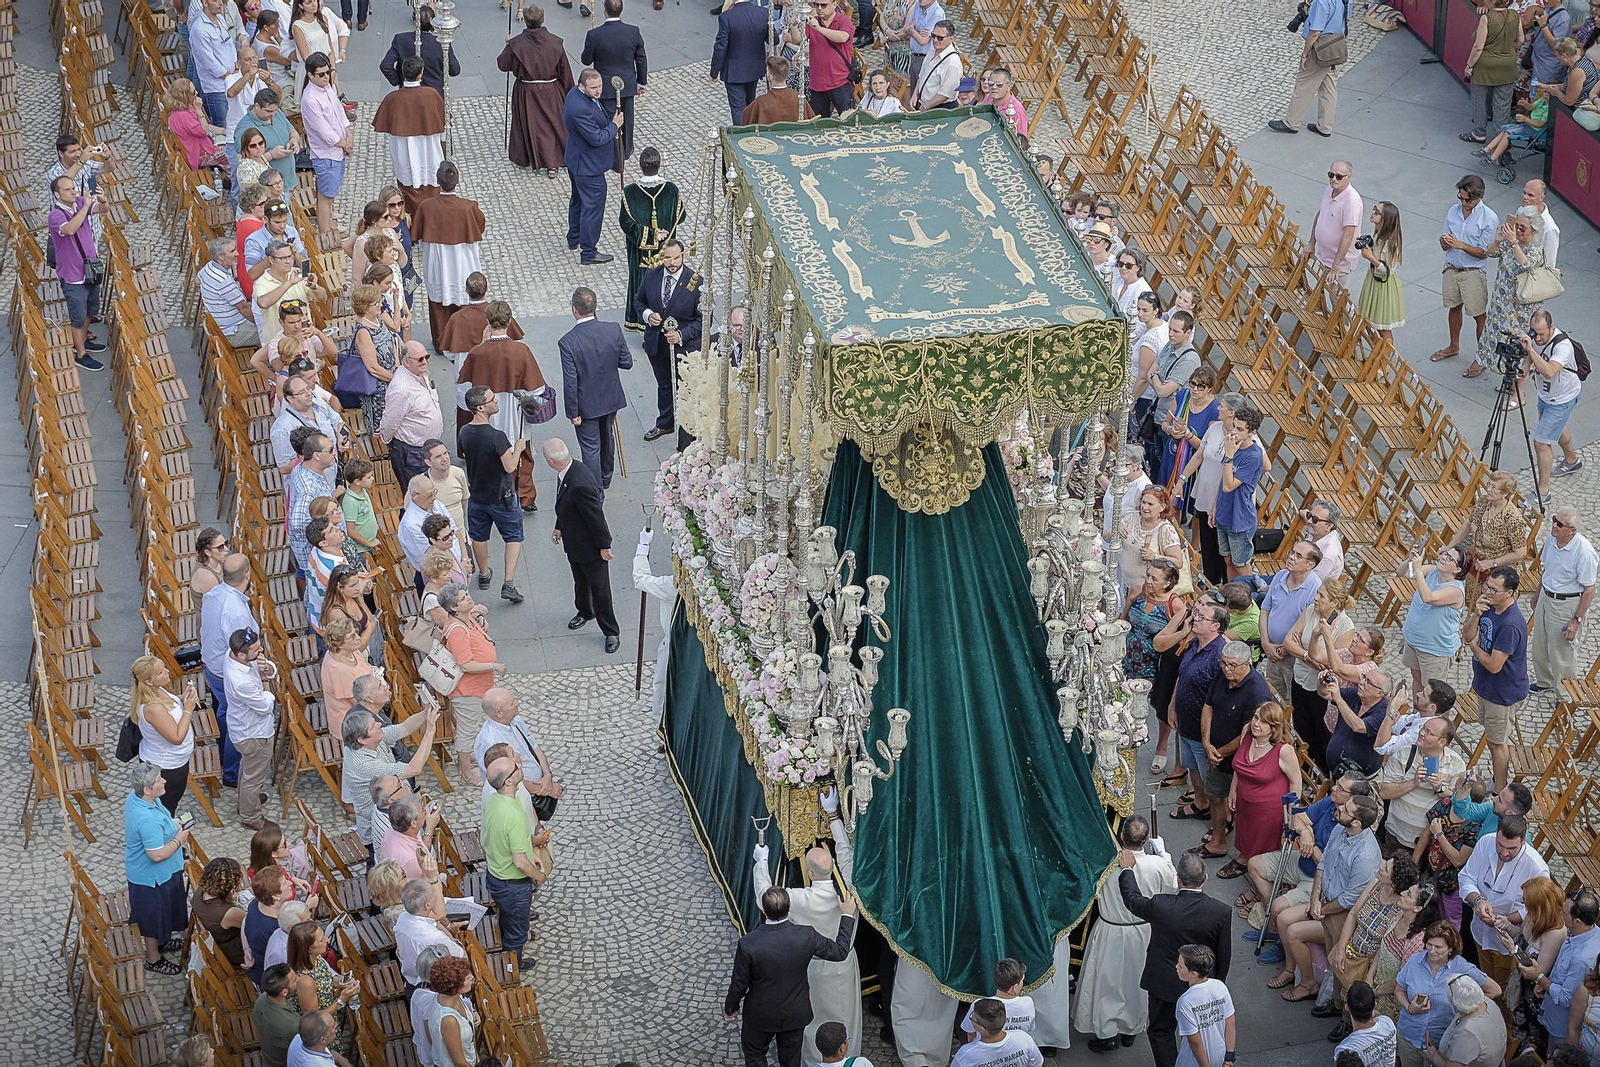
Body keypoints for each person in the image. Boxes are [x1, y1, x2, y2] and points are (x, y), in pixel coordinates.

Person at [751, 789, 859, 1063]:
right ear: (832, 864)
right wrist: (833, 815)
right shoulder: (850, 888)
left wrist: (761, 862)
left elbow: (765, 895)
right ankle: (848, 1057)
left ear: (809, 873)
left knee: (816, 1019)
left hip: (812, 967)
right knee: (846, 1013)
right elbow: (846, 853)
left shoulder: (799, 898)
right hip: (844, 965)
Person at [724, 884, 859, 1067]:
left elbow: (739, 982)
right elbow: (840, 952)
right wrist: (847, 916)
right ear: (789, 908)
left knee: (755, 1055)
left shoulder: (748, 944)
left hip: (760, 1014)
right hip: (795, 1013)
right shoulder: (806, 935)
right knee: (790, 1060)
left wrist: (731, 1006)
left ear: (763, 910)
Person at [1117, 849, 1231, 1067]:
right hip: (1200, 984)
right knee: (1200, 1031)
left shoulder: (1162, 905)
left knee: (1161, 1031)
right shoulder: (1221, 911)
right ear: (1205, 878)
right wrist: (1217, 985)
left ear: (1178, 880)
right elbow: (1223, 954)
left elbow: (1132, 900)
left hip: (1164, 982)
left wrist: (1128, 870)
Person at [1077, 815, 1177, 1050]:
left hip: (1111, 930)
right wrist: (1163, 854)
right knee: (1137, 982)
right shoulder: (1158, 865)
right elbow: (1173, 885)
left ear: (1122, 836)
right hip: (1143, 932)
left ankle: (1107, 1034)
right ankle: (1131, 1029)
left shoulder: (1104, 863)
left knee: (1107, 983)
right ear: (1146, 839)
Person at [1274, 793, 1383, 1001]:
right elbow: (1324, 864)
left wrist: (1321, 910)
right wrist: (1315, 899)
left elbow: (1348, 900)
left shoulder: (1365, 856)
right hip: (1325, 901)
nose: (1339, 808)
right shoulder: (1341, 828)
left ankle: (1340, 1008)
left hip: (1344, 915)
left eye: (1346, 810)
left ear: (1357, 822)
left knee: (1340, 962)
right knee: (1332, 957)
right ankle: (1327, 998)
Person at [1459, 815, 1551, 1016]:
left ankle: (1503, 1028)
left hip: (1509, 944)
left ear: (1523, 841)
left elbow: (1538, 909)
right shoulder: (1485, 843)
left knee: (1504, 994)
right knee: (1486, 978)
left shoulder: (1537, 867)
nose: (1503, 852)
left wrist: (1506, 920)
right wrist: (1478, 901)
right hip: (1479, 931)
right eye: (1500, 845)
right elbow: (1466, 876)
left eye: (1511, 849)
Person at [1198, 644, 1277, 871]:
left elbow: (1250, 732)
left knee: (1245, 808)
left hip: (1244, 759)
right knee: (1215, 796)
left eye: (1232, 665)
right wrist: (1206, 743)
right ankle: (1218, 841)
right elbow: (1208, 705)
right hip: (1216, 753)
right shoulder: (1223, 674)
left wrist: (1219, 752)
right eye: (1223, 663)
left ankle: (1246, 856)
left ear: (1247, 663)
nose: (1226, 669)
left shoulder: (1257, 692)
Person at [545, 439, 620, 652]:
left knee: (600, 589)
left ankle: (611, 630)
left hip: (590, 547)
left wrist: (604, 546)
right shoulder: (568, 471)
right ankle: (585, 611)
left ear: (551, 461)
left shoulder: (579, 483)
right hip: (574, 543)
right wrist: (559, 526)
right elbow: (566, 505)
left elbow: (596, 518)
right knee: (580, 581)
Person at [458, 386, 529, 604]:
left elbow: (463, 452)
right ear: (480, 407)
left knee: (479, 536)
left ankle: (484, 573)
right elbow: (509, 466)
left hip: (478, 494)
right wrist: (518, 448)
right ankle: (508, 583)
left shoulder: (464, 432)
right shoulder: (497, 437)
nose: (496, 401)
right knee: (513, 536)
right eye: (491, 399)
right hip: (502, 495)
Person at [341, 704, 440, 857]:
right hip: (384, 824)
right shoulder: (363, 764)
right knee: (400, 860)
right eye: (374, 725)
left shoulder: (372, 739)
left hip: (396, 813)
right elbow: (414, 769)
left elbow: (404, 728)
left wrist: (426, 711)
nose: (380, 723)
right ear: (362, 739)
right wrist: (430, 732)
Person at [1463, 207, 1548, 381]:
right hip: (1502, 302)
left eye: (1522, 228)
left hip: (1521, 307)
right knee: (1492, 335)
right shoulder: (1510, 241)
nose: (1517, 230)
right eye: (1516, 225)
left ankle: (1514, 380)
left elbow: (1526, 265)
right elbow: (1491, 252)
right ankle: (1481, 362)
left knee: (1516, 343)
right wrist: (1498, 240)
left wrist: (1514, 243)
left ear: (1534, 229)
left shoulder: (1535, 248)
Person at [1396, 923, 1498, 1067]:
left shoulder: (1462, 967)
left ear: (1450, 948)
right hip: (1408, 1036)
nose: (1432, 951)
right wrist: (1408, 1007)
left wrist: (1467, 1010)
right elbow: (1399, 990)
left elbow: (1494, 990)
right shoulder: (1414, 961)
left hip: (1440, 1042)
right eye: (1429, 945)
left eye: (1438, 947)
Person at [1464, 566, 1528, 790]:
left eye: (1494, 589)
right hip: (1487, 688)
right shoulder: (1488, 607)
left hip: (1503, 694)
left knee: (1496, 742)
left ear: (1510, 592)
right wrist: (1476, 614)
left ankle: (1500, 788)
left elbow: (1493, 665)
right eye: (1487, 586)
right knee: (1491, 737)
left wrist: (1474, 648)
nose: (1487, 592)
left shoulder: (1511, 624)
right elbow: (1467, 635)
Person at [124, 760, 190, 975]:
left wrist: (172, 825)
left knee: (165, 911)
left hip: (163, 874)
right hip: (151, 877)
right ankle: (153, 958)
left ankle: (162, 942)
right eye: (159, 779)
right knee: (152, 918)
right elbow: (157, 854)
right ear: (147, 789)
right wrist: (179, 840)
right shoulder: (147, 820)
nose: (164, 780)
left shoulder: (139, 799)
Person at [409, 162, 486, 347]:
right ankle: (464, 340)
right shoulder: (468, 207)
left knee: (438, 303)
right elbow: (480, 227)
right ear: (457, 181)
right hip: (463, 261)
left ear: (437, 181)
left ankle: (441, 342)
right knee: (463, 300)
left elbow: (416, 235)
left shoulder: (427, 207)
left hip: (437, 262)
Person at [634, 239, 703, 442]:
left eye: (676, 257)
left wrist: (681, 335)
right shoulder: (652, 275)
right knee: (664, 385)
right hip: (657, 342)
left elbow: (702, 320)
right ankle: (665, 423)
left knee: (685, 387)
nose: (672, 262)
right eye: (667, 258)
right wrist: (647, 315)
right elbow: (639, 299)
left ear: (683, 255)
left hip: (685, 347)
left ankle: (687, 431)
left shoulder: (696, 282)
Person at [1167, 603, 1230, 826]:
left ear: (1215, 626)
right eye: (1196, 615)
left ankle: (1220, 825)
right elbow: (1182, 676)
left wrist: (1208, 735)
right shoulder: (1194, 643)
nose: (1195, 619)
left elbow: (1221, 700)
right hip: (1185, 723)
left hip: (1204, 732)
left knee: (1212, 782)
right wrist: (1173, 705)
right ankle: (1200, 803)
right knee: (1192, 767)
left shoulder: (1220, 656)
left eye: (1201, 618)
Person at [482, 755, 546, 970]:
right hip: (513, 885)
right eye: (515, 767)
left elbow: (508, 840)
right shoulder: (512, 814)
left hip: (495, 875)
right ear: (508, 781)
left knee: (507, 918)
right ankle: (513, 967)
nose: (520, 766)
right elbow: (519, 862)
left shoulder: (496, 800)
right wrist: (539, 876)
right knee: (516, 934)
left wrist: (531, 852)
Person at [1430, 175, 1501, 367]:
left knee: (1478, 315)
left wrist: (1460, 245)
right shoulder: (1453, 211)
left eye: (1467, 200)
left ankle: (1482, 357)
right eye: (1460, 198)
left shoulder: (1489, 218)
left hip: (1473, 272)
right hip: (1452, 268)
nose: (1463, 203)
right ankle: (1453, 346)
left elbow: (1484, 252)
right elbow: (1445, 242)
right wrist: (1445, 243)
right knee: (1454, 307)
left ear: (1479, 197)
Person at [200, 553, 257, 784]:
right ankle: (232, 772)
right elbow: (243, 649)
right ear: (248, 574)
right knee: (236, 719)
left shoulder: (214, 593)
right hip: (225, 671)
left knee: (225, 711)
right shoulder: (236, 611)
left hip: (211, 664)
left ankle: (224, 755)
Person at [1228, 702, 1302, 879]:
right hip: (1245, 801)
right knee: (1245, 832)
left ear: (1274, 727)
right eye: (1255, 717)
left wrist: (1293, 810)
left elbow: (1295, 781)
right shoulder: (1247, 732)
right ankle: (1245, 857)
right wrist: (1233, 789)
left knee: (1264, 844)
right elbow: (1239, 767)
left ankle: (1260, 878)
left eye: (1264, 722)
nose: (1256, 724)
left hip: (1270, 809)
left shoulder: (1284, 750)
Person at [1529, 507, 1598, 692]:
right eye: (1554, 520)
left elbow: (1590, 589)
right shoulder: (1552, 539)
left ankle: (1566, 695)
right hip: (1547, 595)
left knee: (1562, 652)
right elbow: (1547, 569)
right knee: (1540, 644)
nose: (1554, 526)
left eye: (1560, 524)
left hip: (1566, 603)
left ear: (1572, 530)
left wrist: (1576, 620)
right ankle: (1545, 682)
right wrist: (1538, 594)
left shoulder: (1585, 553)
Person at [498, 6, 573, 174]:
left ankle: (525, 157)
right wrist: (570, 93)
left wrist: (508, 45)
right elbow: (565, 71)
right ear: (543, 19)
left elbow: (502, 64)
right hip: (551, 90)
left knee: (526, 122)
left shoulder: (516, 44)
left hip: (526, 91)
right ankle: (552, 163)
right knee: (551, 125)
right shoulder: (555, 42)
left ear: (525, 20)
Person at [619, 148, 685, 332]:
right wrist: (659, 232)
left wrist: (647, 234)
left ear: (640, 166)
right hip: (667, 250)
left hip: (640, 253)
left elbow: (625, 222)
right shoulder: (671, 189)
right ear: (659, 165)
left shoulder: (629, 192)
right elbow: (681, 216)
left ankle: (641, 322)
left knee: (641, 284)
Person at [47, 175, 109, 371]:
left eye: (73, 188)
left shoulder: (81, 202)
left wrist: (103, 200)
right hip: (73, 275)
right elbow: (71, 229)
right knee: (78, 316)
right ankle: (80, 354)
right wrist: (84, 208)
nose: (73, 191)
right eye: (67, 189)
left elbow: (103, 210)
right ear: (57, 194)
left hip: (90, 268)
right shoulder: (55, 215)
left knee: (91, 309)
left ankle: (83, 339)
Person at [370, 58, 446, 216]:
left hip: (404, 150)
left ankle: (412, 223)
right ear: (421, 74)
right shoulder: (432, 94)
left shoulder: (393, 98)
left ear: (403, 74)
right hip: (428, 150)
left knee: (408, 186)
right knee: (431, 185)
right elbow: (443, 123)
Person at [563, 68, 623, 266]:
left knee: (578, 201)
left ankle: (574, 237)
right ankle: (588, 251)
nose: (598, 91)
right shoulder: (579, 108)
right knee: (592, 209)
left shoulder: (575, 93)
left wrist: (607, 127)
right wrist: (614, 126)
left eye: (600, 86)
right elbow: (595, 138)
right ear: (582, 85)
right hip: (588, 167)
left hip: (577, 160)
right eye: (594, 88)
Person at [224, 627, 280, 830]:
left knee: (248, 770)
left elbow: (269, 668)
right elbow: (266, 707)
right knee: (253, 776)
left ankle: (246, 800)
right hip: (254, 733)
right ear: (241, 655)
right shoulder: (241, 682)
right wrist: (265, 680)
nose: (261, 651)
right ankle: (250, 815)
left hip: (245, 728)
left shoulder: (233, 654)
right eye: (256, 651)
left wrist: (268, 669)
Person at [1524, 315, 1584, 501]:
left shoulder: (1562, 346)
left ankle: (1543, 492)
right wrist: (1524, 367)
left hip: (1562, 399)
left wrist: (1530, 349)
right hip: (1547, 397)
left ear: (1551, 327)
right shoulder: (1534, 339)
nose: (1538, 338)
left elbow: (1549, 372)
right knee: (1557, 428)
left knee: (1541, 443)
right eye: (1534, 333)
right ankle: (1572, 461)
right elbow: (1530, 357)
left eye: (1541, 334)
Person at [1267, 0, 1349, 136]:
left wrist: (1305, 54)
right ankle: (1325, 127)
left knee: (1303, 83)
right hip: (1336, 47)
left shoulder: (1322, 2)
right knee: (1329, 86)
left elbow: (1315, 32)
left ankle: (1291, 123)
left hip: (1320, 49)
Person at [1259, 541, 1324, 704]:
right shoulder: (1281, 575)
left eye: (1298, 555)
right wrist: (1265, 642)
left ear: (1310, 564)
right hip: (1271, 649)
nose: (1291, 557)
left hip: (1292, 657)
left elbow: (1305, 630)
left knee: (1291, 700)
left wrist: (1281, 651)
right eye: (1292, 552)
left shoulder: (1315, 589)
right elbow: (1265, 609)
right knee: (1273, 695)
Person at [581, 0, 647, 161]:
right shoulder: (633, 31)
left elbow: (586, 60)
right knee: (627, 119)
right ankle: (626, 150)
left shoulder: (595, 34)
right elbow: (641, 58)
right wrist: (641, 82)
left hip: (605, 87)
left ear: (605, 11)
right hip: (627, 85)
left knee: (608, 120)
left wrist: (591, 44)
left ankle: (613, 155)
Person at [1399, 545, 1467, 697]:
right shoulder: (1432, 570)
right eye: (1445, 554)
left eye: (1449, 558)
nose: (1443, 557)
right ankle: (1418, 716)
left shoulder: (1455, 590)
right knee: (1416, 679)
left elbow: (1428, 597)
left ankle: (1437, 720)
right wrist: (1410, 559)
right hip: (1414, 640)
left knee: (1434, 693)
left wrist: (1417, 569)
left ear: (1457, 570)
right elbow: (1401, 572)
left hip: (1434, 649)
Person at [378, 341, 443, 492]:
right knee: (417, 491)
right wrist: (387, 440)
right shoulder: (401, 389)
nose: (425, 361)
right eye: (420, 359)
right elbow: (390, 423)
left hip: (427, 447)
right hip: (412, 452)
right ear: (406, 362)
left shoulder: (419, 373)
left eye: (427, 357)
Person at [1213, 406, 1267, 581]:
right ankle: (1231, 595)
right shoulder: (1232, 445)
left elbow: (1229, 485)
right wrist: (1215, 506)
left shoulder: (1253, 456)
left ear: (1252, 432)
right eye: (1234, 426)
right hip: (1224, 513)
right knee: (1227, 559)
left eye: (1240, 429)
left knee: (1241, 565)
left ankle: (1249, 600)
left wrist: (1229, 456)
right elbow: (1222, 481)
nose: (1234, 432)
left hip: (1240, 518)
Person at [784, 0, 857, 116]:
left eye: (823, 5)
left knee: (849, 120)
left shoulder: (843, 21)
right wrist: (794, 27)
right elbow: (798, 40)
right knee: (819, 124)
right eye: (816, 5)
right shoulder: (813, 22)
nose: (819, 8)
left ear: (834, 4)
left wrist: (819, 29)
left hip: (841, 82)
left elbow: (843, 37)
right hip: (817, 83)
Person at [1464, 0, 1522, 144]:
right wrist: (1508, 49)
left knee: (1479, 100)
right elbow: (1521, 39)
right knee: (1503, 104)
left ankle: (1479, 133)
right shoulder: (1515, 15)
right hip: (1507, 65)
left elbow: (1478, 46)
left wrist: (1469, 66)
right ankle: (1500, 138)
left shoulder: (1487, 18)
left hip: (1485, 66)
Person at [1321, 667, 1394, 778]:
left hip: (1360, 780)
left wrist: (1338, 698)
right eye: (1364, 677)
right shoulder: (1355, 694)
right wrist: (1323, 684)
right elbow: (1326, 694)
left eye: (1368, 681)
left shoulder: (1383, 713)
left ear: (1380, 693)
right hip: (1336, 770)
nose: (1361, 682)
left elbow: (1358, 726)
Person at [1119, 485, 1184, 601]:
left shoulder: (1165, 529)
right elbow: (1106, 537)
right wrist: (1115, 529)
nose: (1144, 507)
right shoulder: (1132, 518)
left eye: (1150, 504)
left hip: (1147, 591)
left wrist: (1155, 556)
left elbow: (1178, 562)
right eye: (1143, 502)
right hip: (1126, 584)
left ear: (1162, 507)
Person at [711, 0, 770, 124]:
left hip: (734, 72)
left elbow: (720, 47)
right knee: (750, 103)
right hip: (754, 69)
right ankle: (750, 132)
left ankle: (740, 137)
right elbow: (772, 39)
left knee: (738, 108)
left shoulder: (726, 17)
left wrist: (714, 71)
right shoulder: (763, 13)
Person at [1357, 201, 1406, 342]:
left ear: (1386, 219)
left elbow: (1388, 271)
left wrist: (1371, 258)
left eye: (1377, 212)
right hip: (1373, 281)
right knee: (1368, 322)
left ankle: (1385, 361)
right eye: (1374, 209)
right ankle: (1376, 355)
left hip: (1384, 285)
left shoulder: (1392, 242)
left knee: (1382, 328)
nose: (1373, 212)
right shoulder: (1379, 235)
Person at [236, 88, 301, 192]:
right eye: (269, 111)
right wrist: (271, 155)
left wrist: (293, 140)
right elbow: (243, 162)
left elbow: (292, 131)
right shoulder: (244, 128)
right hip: (268, 188)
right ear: (257, 106)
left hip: (287, 179)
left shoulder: (276, 112)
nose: (273, 114)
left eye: (275, 110)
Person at [1310, 161, 1364, 284]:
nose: (1334, 179)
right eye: (1331, 175)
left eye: (1338, 176)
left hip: (1339, 264)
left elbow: (1348, 234)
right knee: (1320, 294)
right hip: (1324, 257)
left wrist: (1336, 264)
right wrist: (1311, 243)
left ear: (1349, 177)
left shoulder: (1352, 202)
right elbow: (1321, 214)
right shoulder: (1329, 189)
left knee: (1337, 299)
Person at [192, 857, 248, 972]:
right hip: (234, 952)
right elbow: (253, 922)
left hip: (218, 940)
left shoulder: (201, 892)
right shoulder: (229, 913)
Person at [952, 999, 1044, 1067]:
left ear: (981, 1028)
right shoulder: (1023, 1038)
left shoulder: (965, 1055)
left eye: (973, 1017)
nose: (971, 1018)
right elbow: (1037, 1063)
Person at [424, 956, 479, 1067]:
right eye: (467, 978)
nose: (472, 978)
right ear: (456, 986)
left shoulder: (450, 997)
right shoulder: (448, 1020)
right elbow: (459, 1063)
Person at [1336, 982, 1399, 1067]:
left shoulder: (1346, 1049)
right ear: (1374, 1006)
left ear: (1347, 1007)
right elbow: (1379, 1016)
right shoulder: (1387, 1023)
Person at [741, 55, 812, 124]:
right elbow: (811, 121)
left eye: (767, 71)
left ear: (771, 77)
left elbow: (746, 118)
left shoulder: (760, 102)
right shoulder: (799, 98)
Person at [909, 18, 961, 110]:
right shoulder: (931, 51)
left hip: (940, 108)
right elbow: (922, 75)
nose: (935, 40)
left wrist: (926, 106)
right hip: (924, 104)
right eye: (933, 35)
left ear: (951, 39)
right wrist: (915, 95)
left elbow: (946, 94)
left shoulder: (953, 62)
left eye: (940, 38)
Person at [256, 964, 302, 1067]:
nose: (298, 979)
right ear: (284, 992)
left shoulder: (262, 999)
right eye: (294, 980)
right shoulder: (291, 1025)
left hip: (269, 1058)